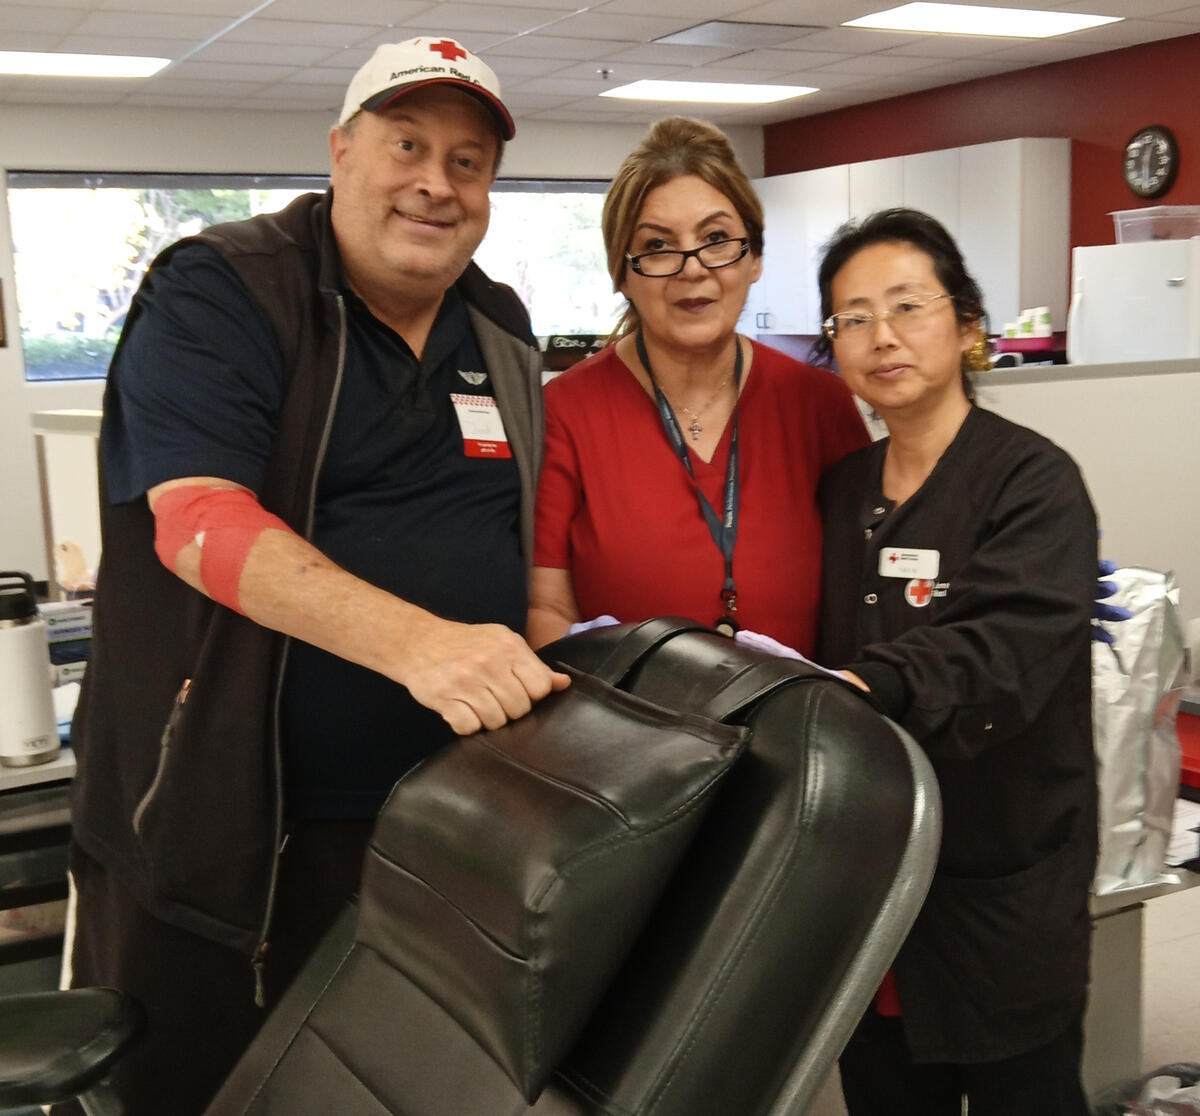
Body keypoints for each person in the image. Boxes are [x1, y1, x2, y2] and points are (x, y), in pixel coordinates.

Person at [63, 37, 568, 1116]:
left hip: (440, 832)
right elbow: (197, 520)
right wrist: (422, 644)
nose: (436, 183)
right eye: (407, 145)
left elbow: (510, 533)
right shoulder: (225, 288)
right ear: (341, 151)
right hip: (225, 837)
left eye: (468, 162)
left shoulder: (500, 325)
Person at [812, 208, 1098, 1115]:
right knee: (887, 1089)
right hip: (876, 887)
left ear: (968, 325)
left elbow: (1004, 647)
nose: (881, 337)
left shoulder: (1034, 482)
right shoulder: (842, 490)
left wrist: (875, 683)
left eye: (907, 306)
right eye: (853, 317)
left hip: (998, 885)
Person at [527, 117, 869, 649]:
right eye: (658, 245)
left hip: (802, 700)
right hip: (625, 703)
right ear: (622, 273)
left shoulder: (819, 404)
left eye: (716, 239)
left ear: (754, 258)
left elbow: (864, 591)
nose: (693, 269)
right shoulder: (566, 412)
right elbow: (547, 608)